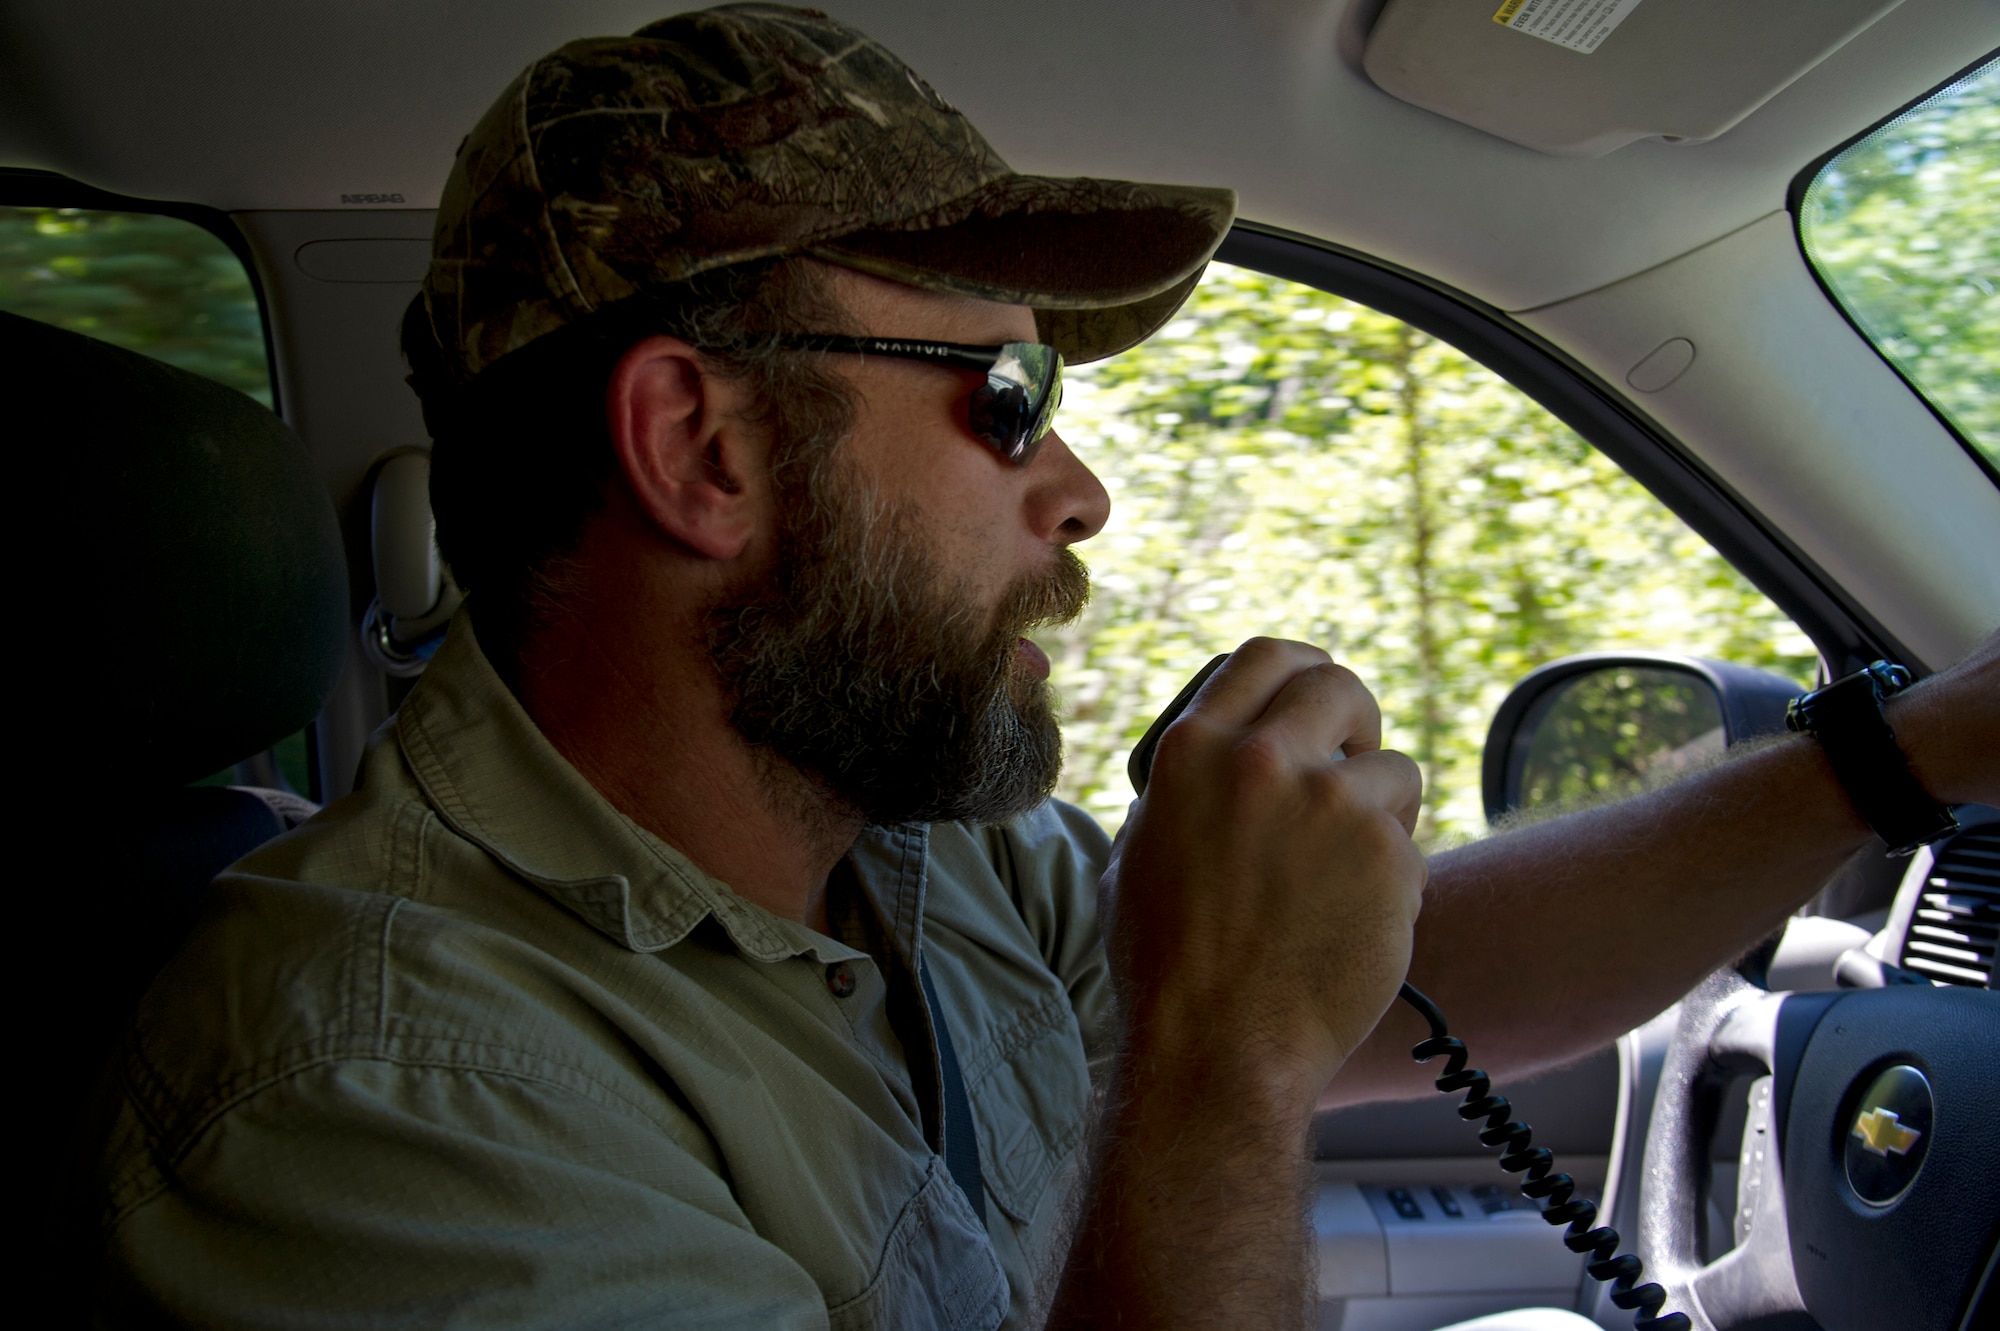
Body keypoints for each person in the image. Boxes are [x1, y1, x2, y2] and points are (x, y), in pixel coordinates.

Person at [85, 5, 1999, 1329]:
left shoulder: (909, 847)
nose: (1076, 489)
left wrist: (1906, 756)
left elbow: (1420, 987)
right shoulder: (378, 1101)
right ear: (704, 453)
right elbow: (1257, 1041)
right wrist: (1222, 1062)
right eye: (1006, 399)